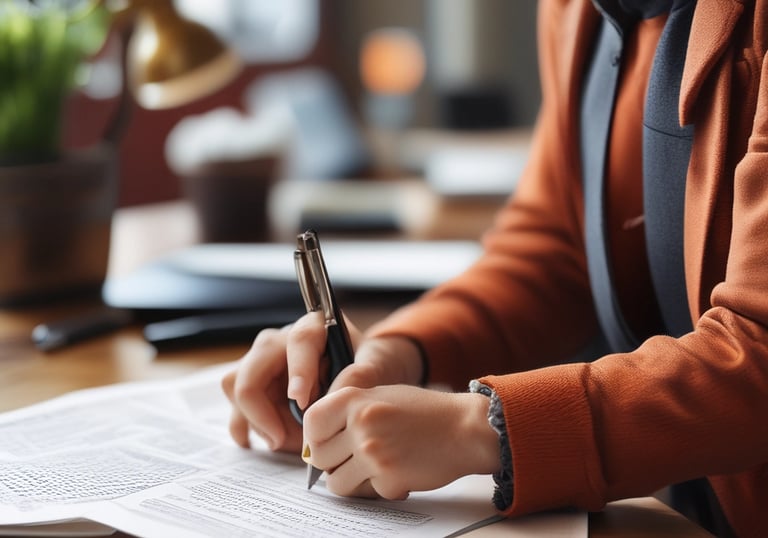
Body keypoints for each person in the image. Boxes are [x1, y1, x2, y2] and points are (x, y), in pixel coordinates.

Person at [222, 0, 768, 536]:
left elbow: (758, 351)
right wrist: (397, 354)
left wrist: (483, 429)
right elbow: (554, 252)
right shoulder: (576, 11)